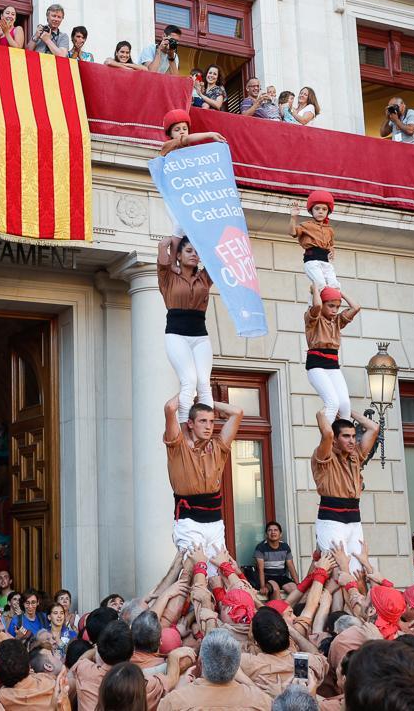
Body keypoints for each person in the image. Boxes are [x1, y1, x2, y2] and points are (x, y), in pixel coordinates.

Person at [163, 397, 245, 573]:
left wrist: (207, 399)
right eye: (202, 421)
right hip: (188, 520)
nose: (209, 426)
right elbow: (170, 408)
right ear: (190, 423)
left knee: (217, 574)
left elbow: (237, 412)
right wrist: (187, 392)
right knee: (194, 574)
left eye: (211, 421)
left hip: (215, 522)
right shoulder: (178, 447)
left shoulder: (217, 447)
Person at [312, 409, 379, 572]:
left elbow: (374, 428)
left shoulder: (355, 455)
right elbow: (327, 433)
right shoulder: (324, 455)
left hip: (354, 520)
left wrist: (347, 412)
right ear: (335, 440)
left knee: (358, 574)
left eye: (353, 436)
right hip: (331, 520)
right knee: (338, 573)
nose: (352, 441)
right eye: (346, 436)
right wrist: (324, 412)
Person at [158, 235, 215, 419]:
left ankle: (205, 429)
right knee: (189, 381)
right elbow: (163, 246)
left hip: (200, 335)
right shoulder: (168, 277)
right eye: (189, 251)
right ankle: (185, 429)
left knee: (204, 384)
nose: (194, 255)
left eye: (197, 252)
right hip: (176, 334)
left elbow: (217, 257)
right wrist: (175, 241)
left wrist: (203, 240)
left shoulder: (204, 278)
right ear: (179, 255)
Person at [156, 628, 270, 710]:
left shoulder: (175, 701)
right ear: (237, 666)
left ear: (200, 663)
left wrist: (177, 687)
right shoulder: (262, 701)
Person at [304, 284, 360, 423]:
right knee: (332, 403)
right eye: (330, 306)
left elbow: (356, 307)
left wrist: (340, 293)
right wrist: (316, 288)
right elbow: (316, 305)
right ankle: (327, 440)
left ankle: (341, 439)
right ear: (323, 304)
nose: (335, 310)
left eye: (337, 306)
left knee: (345, 405)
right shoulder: (313, 319)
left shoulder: (337, 321)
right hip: (316, 364)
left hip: (333, 365)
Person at [289, 190, 340, 290]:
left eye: (324, 209)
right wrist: (293, 218)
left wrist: (332, 252)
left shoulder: (330, 230)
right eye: (317, 208)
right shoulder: (306, 225)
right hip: (312, 260)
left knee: (334, 286)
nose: (320, 211)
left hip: (325, 261)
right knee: (320, 284)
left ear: (327, 212)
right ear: (311, 210)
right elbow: (293, 233)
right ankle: (312, 305)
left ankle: (323, 304)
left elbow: (331, 246)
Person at [157, 108, 226, 158]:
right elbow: (186, 139)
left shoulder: (188, 148)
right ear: (170, 134)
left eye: (184, 129)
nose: (182, 132)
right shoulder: (168, 145)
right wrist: (210, 135)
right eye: (177, 130)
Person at [254, 521, 299, 596]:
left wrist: (298, 583)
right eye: (270, 530)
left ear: (280, 534)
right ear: (266, 534)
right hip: (268, 578)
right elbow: (260, 569)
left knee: (295, 591)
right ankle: (278, 607)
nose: (273, 532)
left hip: (282, 577)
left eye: (275, 530)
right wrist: (262, 586)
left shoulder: (285, 547)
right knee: (275, 589)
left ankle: (287, 606)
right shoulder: (261, 547)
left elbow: (291, 566)